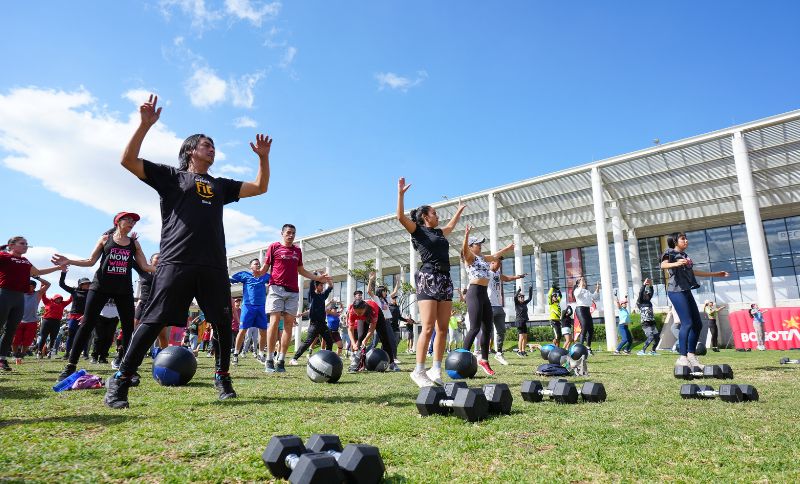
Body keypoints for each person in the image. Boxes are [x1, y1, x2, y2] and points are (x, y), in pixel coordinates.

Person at [104, 94, 273, 408]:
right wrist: (143, 125)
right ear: (190, 151)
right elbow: (127, 161)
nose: (212, 147)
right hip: (176, 261)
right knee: (153, 320)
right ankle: (121, 381)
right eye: (205, 143)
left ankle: (222, 377)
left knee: (223, 324)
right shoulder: (172, 177)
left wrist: (263, 157)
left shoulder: (220, 185)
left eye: (213, 144)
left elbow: (260, 186)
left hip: (212, 265)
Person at [52, 212, 156, 382]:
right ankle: (70, 366)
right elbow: (90, 261)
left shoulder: (134, 243)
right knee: (86, 325)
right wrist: (68, 260)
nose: (132, 223)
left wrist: (168, 267)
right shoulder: (105, 239)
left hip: (123, 289)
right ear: (118, 222)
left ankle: (127, 368)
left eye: (134, 221)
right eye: (128, 220)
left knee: (129, 328)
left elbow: (144, 266)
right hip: (100, 286)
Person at [396, 177, 466, 387]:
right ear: (425, 217)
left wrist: (459, 210)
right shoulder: (418, 231)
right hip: (428, 278)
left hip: (445, 279)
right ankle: (418, 371)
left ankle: (436, 369)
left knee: (442, 327)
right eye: (434, 213)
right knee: (427, 327)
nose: (438, 216)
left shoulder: (438, 232)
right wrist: (400, 194)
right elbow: (399, 217)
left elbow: (451, 226)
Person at [256, 224, 330, 373]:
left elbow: (301, 270)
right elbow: (265, 268)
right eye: (288, 233)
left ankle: (281, 359)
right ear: (282, 233)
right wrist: (259, 273)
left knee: (289, 324)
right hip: (276, 288)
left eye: (293, 233)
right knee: (274, 322)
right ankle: (269, 358)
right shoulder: (274, 247)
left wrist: (317, 278)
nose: (291, 235)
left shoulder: (297, 251)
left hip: (293, 292)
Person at [661, 232, 728, 368]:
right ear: (675, 241)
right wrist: (677, 263)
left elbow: (693, 272)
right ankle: (682, 357)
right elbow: (663, 265)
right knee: (687, 323)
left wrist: (715, 274)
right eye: (683, 239)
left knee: (697, 324)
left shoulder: (686, 256)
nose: (686, 240)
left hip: (686, 291)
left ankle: (691, 356)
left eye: (686, 238)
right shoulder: (669, 252)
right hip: (675, 291)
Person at [0, 236, 63, 371]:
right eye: (22, 243)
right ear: (11, 245)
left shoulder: (25, 261)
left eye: (26, 244)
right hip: (4, 294)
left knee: (11, 330)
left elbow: (38, 272)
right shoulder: (4, 256)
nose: (25, 246)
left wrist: (58, 267)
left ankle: (2, 359)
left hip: (19, 298)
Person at [461, 225, 515, 378]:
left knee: (488, 329)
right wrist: (466, 236)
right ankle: (462, 357)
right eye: (478, 243)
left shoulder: (482, 258)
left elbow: (495, 255)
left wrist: (508, 247)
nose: (480, 245)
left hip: (484, 295)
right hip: (474, 293)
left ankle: (484, 360)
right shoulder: (469, 257)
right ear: (471, 247)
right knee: (474, 328)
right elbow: (464, 250)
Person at [230, 258, 270, 365]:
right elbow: (230, 279)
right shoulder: (244, 275)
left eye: (259, 264)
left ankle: (261, 354)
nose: (258, 265)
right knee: (242, 331)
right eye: (255, 264)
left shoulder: (265, 276)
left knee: (263, 331)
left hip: (261, 307)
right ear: (250, 267)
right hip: (248, 307)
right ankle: (235, 355)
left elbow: (276, 281)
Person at [487, 259, 525, 364]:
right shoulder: (486, 272)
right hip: (488, 305)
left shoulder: (498, 273)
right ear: (492, 263)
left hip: (498, 306)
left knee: (501, 331)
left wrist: (518, 277)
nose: (499, 266)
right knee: (487, 332)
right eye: (498, 263)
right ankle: (482, 354)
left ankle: (499, 353)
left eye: (500, 264)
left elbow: (507, 278)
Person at [290, 279, 333, 365]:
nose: (323, 287)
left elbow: (330, 287)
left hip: (323, 324)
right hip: (314, 324)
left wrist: (328, 280)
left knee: (329, 341)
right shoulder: (313, 295)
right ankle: (294, 359)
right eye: (321, 285)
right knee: (308, 342)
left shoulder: (323, 296)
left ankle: (327, 359)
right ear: (316, 287)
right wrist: (315, 277)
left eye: (323, 285)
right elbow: (311, 286)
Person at [367, 272, 400, 370]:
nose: (386, 292)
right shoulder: (376, 299)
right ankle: (363, 355)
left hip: (387, 323)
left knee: (391, 341)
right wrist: (370, 280)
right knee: (375, 343)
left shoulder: (386, 299)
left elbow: (394, 292)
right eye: (384, 291)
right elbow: (369, 291)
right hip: (379, 323)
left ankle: (393, 359)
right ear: (380, 291)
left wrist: (397, 283)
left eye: (386, 291)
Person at [12, 278, 50, 364]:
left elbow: (48, 284)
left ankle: (22, 355)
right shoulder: (20, 293)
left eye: (32, 286)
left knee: (27, 341)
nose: (30, 287)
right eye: (28, 286)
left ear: (34, 287)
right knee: (15, 340)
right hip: (18, 320)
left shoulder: (38, 294)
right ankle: (14, 355)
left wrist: (37, 277)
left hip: (32, 321)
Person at [59, 269, 91, 358]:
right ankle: (67, 353)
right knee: (71, 335)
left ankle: (85, 354)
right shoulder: (74, 291)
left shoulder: (92, 292)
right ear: (80, 284)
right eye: (85, 283)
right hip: (74, 316)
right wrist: (63, 273)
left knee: (85, 336)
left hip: (86, 316)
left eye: (89, 283)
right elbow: (62, 284)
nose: (88, 285)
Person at [38, 290, 72, 358]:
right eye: (57, 298)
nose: (59, 299)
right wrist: (43, 286)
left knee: (53, 338)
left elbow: (70, 300)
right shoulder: (48, 301)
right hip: (47, 321)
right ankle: (39, 352)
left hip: (56, 322)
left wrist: (72, 292)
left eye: (60, 299)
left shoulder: (62, 304)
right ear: (54, 298)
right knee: (43, 337)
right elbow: (43, 295)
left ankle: (50, 352)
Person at [573, 276, 600, 355]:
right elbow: (577, 295)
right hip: (580, 309)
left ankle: (588, 347)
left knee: (591, 329)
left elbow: (594, 297)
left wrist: (597, 288)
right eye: (581, 281)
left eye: (584, 281)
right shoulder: (577, 290)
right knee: (584, 326)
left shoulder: (587, 291)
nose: (584, 282)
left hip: (587, 309)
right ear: (578, 284)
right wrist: (580, 285)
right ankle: (580, 348)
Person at [637, 279, 660, 355]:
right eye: (646, 293)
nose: (647, 294)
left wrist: (650, 285)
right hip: (645, 323)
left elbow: (652, 293)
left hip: (652, 323)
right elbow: (640, 293)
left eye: (648, 294)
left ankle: (653, 351)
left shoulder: (648, 301)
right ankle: (642, 351)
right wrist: (644, 285)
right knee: (650, 337)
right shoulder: (641, 301)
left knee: (657, 338)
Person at [514, 286, 534, 356]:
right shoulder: (517, 303)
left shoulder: (524, 303)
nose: (522, 298)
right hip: (519, 321)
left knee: (525, 336)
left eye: (523, 297)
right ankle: (519, 351)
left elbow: (530, 298)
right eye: (520, 297)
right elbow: (515, 297)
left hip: (524, 321)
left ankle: (523, 351)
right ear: (518, 298)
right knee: (521, 336)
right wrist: (519, 290)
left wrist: (530, 290)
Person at [547, 282, 563, 347]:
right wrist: (552, 288)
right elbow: (549, 295)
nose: (555, 297)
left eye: (556, 296)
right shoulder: (551, 303)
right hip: (553, 321)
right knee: (557, 336)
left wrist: (558, 290)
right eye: (554, 296)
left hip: (558, 321)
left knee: (559, 336)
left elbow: (561, 296)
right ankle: (554, 348)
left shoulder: (557, 302)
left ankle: (557, 349)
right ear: (552, 298)